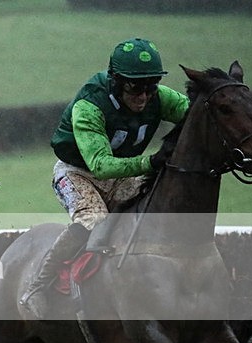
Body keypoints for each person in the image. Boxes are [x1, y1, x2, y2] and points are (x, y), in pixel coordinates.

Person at [19, 38, 190, 318]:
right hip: (77, 173)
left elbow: (195, 114)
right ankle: (36, 287)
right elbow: (100, 164)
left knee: (152, 210)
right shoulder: (89, 106)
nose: (144, 96)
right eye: (135, 87)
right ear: (116, 81)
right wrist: (150, 161)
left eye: (151, 85)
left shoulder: (158, 97)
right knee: (94, 220)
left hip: (121, 173)